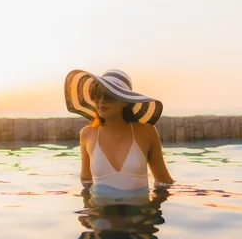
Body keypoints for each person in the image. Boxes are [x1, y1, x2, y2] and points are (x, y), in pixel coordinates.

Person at [64, 69, 174, 198]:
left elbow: (164, 182)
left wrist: (154, 212)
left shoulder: (147, 132)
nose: (101, 101)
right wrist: (88, 215)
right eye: (97, 94)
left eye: (109, 95)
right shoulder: (87, 134)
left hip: (140, 214)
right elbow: (86, 184)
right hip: (100, 213)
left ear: (126, 101)